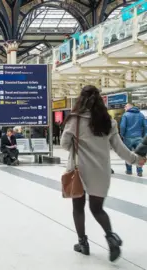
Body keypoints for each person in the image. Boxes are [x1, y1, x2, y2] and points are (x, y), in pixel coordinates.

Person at [61, 85, 145, 262]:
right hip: (101, 172)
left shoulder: (74, 120)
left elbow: (64, 144)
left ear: (81, 100)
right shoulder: (109, 122)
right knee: (97, 208)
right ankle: (111, 237)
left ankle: (83, 243)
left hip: (79, 170)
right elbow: (120, 149)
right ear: (100, 100)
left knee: (78, 207)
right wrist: (136, 160)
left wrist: (77, 147)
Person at [120, 103, 146, 176]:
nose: (124, 108)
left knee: (127, 154)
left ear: (129, 107)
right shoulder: (141, 115)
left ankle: (129, 170)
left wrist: (122, 135)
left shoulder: (125, 115)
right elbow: (145, 126)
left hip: (128, 137)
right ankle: (139, 171)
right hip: (139, 137)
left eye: (125, 106)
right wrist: (143, 135)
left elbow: (122, 126)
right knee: (140, 154)